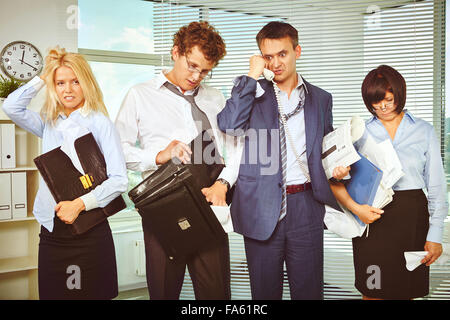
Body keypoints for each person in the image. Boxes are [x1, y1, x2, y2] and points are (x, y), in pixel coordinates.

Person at [115, 21, 241, 300]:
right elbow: (117, 151)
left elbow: (237, 149)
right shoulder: (140, 95)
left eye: (205, 70)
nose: (197, 76)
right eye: (192, 65)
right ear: (175, 52)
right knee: (164, 291)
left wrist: (223, 183)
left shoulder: (215, 98)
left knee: (216, 295)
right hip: (163, 206)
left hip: (210, 203)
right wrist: (158, 155)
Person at [217, 21, 341, 300]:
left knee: (309, 293)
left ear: (297, 51)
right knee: (264, 293)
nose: (275, 63)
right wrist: (251, 75)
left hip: (306, 206)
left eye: (282, 54)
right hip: (260, 207)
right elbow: (228, 125)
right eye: (268, 57)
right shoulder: (252, 92)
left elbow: (326, 147)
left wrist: (338, 168)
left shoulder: (321, 99)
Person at [2, 47, 128, 299]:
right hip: (52, 230)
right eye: (60, 83)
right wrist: (44, 74)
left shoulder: (100, 123)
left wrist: (80, 204)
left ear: (87, 84)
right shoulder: (48, 123)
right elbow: (12, 107)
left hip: (91, 229)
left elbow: (119, 180)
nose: (67, 89)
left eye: (75, 81)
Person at [330, 65, 448, 300]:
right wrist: (340, 172)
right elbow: (341, 177)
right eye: (375, 102)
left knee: (406, 291)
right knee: (373, 290)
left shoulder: (424, 130)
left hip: (412, 215)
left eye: (388, 100)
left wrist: (435, 235)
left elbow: (436, 186)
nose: (382, 107)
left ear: (399, 94)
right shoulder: (359, 132)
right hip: (373, 215)